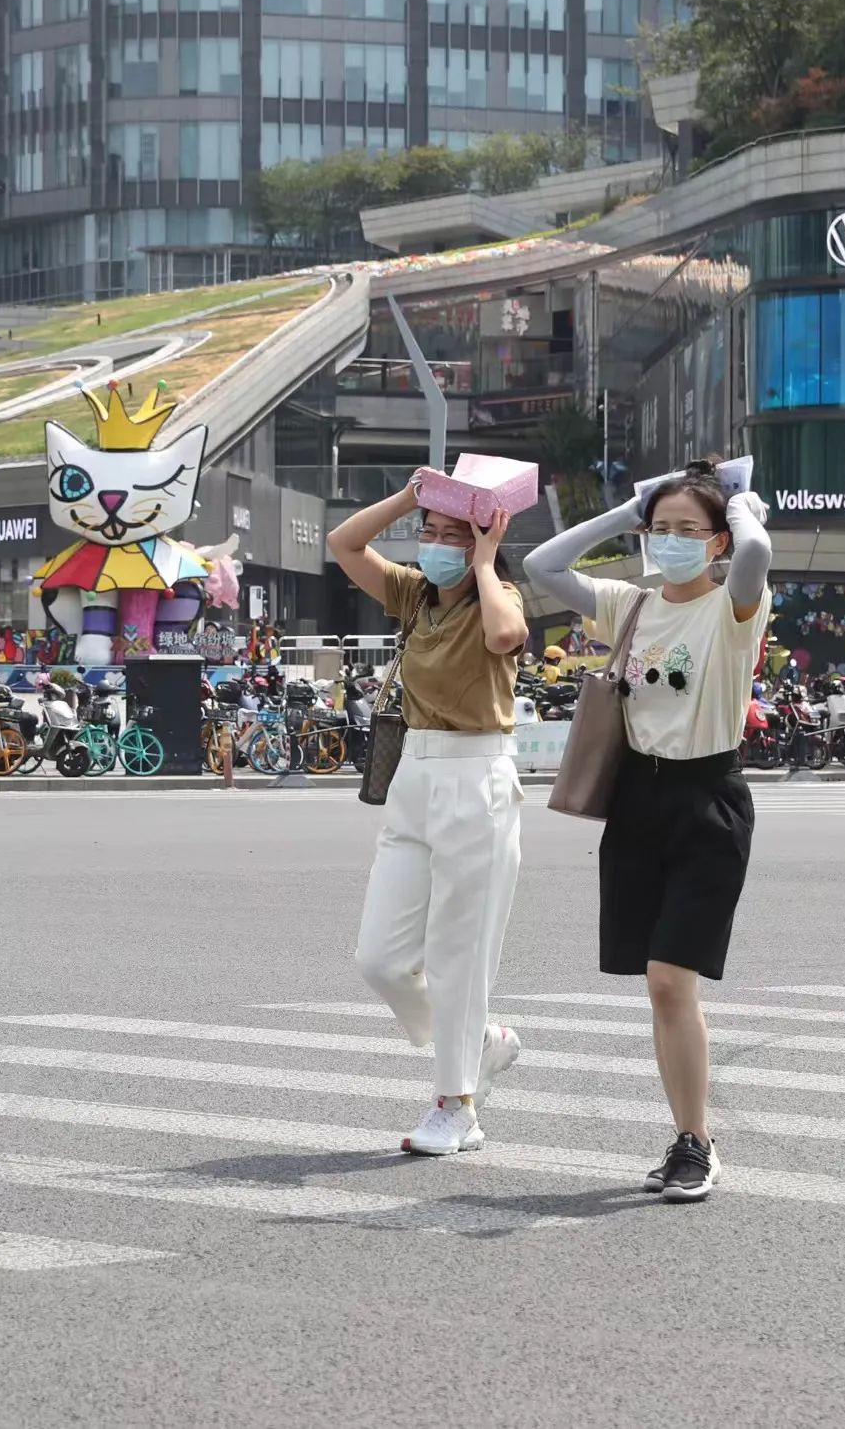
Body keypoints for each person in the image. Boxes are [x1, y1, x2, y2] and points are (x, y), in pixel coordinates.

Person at [524, 459, 771, 1202]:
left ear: (717, 540)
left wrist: (744, 504)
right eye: (658, 531)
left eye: (684, 531)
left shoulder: (734, 603)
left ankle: (696, 1142)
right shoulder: (626, 604)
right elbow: (541, 563)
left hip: (708, 800)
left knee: (672, 977)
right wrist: (627, 511)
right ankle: (687, 1136)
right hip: (637, 801)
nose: (668, 542)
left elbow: (757, 552)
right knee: (659, 990)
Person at [326, 477, 529, 1156]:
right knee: (380, 958)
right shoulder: (413, 594)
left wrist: (483, 561)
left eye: (455, 535)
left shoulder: (500, 597)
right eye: (431, 535)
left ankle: (457, 1105)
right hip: (415, 770)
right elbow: (343, 543)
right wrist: (411, 500)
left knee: (457, 958)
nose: (438, 547)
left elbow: (506, 634)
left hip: (478, 774)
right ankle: (477, 1043)